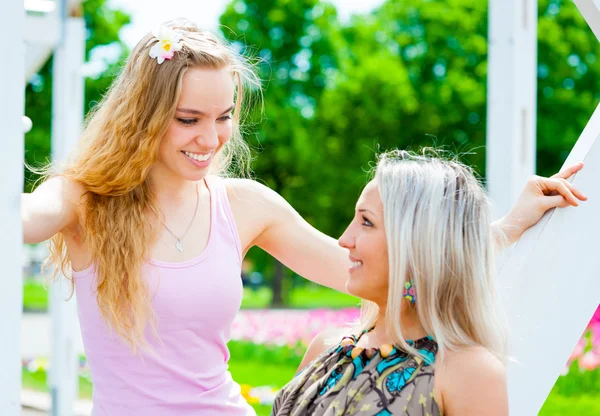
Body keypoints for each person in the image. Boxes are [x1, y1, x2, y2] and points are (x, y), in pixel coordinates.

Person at [21, 19, 585, 416]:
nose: (210, 139)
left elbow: (372, 261)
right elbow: (19, 221)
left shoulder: (244, 205)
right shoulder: (83, 199)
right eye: (188, 119)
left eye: (223, 118)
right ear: (142, 116)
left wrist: (507, 226)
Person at [271, 150, 585, 416]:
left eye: (366, 221)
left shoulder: (467, 372)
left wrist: (510, 226)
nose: (344, 240)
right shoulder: (326, 347)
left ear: (417, 245)